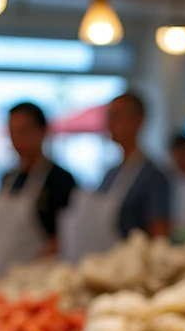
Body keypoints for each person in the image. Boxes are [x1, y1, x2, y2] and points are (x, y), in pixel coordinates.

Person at [0, 102, 76, 276]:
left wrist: (31, 273)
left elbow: (65, 240)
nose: (17, 140)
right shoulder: (7, 177)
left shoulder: (60, 180)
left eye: (23, 132)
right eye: (12, 133)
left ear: (42, 131)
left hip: (31, 283)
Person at [59, 91, 171, 260]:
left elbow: (160, 238)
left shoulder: (153, 177)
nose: (110, 124)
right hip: (105, 266)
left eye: (117, 116)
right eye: (109, 117)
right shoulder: (111, 174)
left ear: (139, 120)